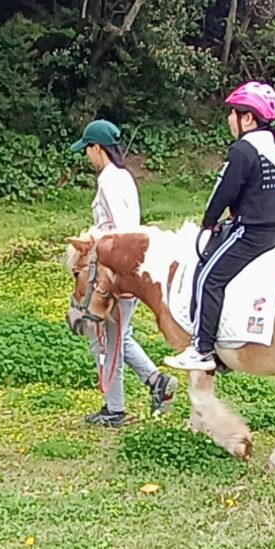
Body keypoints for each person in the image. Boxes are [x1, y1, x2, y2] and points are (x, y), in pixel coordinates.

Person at [164, 82, 275, 371]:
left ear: (247, 118)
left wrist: (209, 222)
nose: (229, 119)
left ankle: (202, 349)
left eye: (232, 113)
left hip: (252, 233)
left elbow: (223, 192)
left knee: (208, 278)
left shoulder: (243, 150)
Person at [70, 119, 177, 426]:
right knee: (119, 335)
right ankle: (157, 382)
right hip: (122, 266)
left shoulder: (108, 181)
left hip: (113, 271)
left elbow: (121, 230)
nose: (87, 155)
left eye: (87, 149)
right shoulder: (123, 176)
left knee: (107, 340)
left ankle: (114, 409)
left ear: (97, 148)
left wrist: (94, 240)